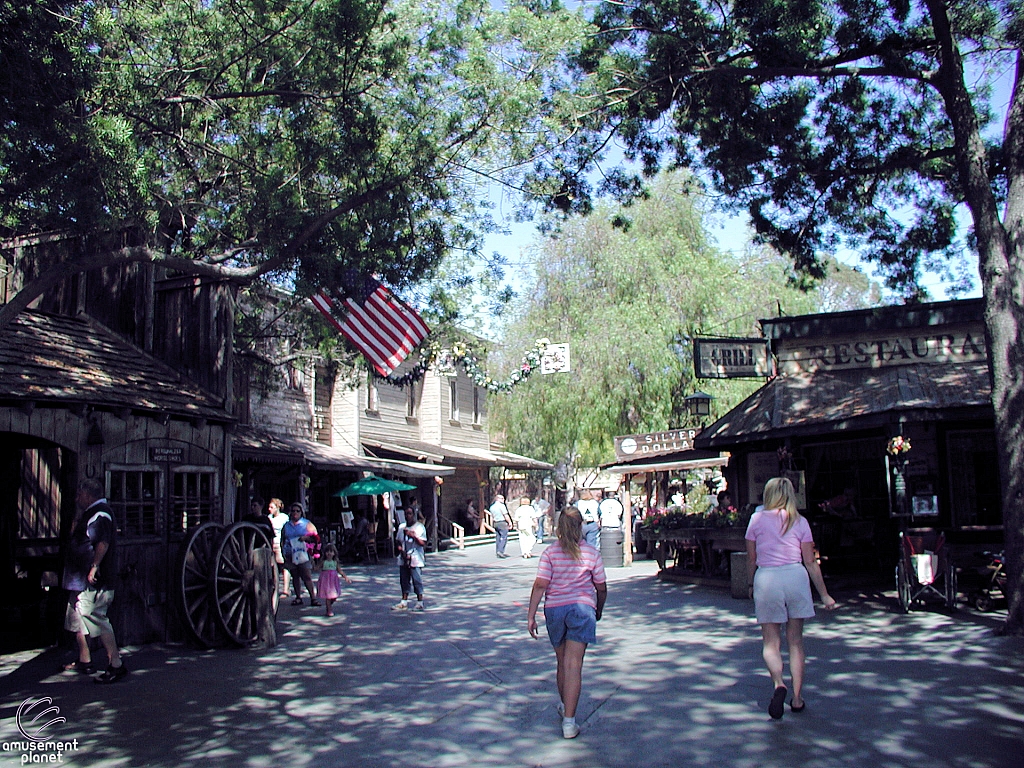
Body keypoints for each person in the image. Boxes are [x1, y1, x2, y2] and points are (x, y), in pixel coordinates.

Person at [745, 476, 838, 719]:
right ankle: (797, 698)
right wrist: (825, 595)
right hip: (795, 577)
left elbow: (751, 558)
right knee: (795, 641)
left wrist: (749, 582)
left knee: (770, 642)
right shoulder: (800, 521)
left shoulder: (756, 520)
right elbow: (810, 561)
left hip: (767, 579)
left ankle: (779, 684)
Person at [527, 507, 607, 740]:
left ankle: (565, 708)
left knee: (562, 663)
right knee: (574, 665)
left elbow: (541, 584)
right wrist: (598, 608)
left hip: (555, 610)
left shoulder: (550, 553)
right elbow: (601, 587)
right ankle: (569, 722)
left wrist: (531, 615)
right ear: (581, 526)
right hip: (582, 609)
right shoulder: (591, 553)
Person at [62, 478, 128, 683]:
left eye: (79, 495)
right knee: (78, 614)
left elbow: (103, 542)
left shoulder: (100, 514)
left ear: (88, 494)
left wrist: (95, 566)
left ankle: (115, 664)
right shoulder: (90, 513)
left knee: (94, 615)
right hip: (80, 577)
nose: (77, 498)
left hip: (93, 580)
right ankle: (85, 659)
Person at [281, 502, 320, 607]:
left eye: (297, 511)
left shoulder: (306, 524)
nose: (295, 513)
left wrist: (306, 538)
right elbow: (283, 539)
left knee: (306, 575)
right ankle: (298, 597)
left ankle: (313, 598)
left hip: (303, 553)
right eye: (293, 511)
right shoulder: (287, 525)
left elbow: (316, 538)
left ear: (301, 512)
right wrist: (282, 552)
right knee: (295, 576)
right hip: (290, 553)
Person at [392, 508, 428, 611]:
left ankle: (420, 601)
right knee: (404, 580)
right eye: (406, 514)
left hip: (415, 557)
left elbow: (423, 543)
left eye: (410, 514)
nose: (408, 516)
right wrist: (401, 552)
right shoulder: (402, 527)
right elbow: (398, 541)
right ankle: (404, 601)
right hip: (404, 557)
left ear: (414, 515)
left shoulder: (419, 527)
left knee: (417, 579)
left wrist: (413, 536)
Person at [316, 543, 352, 617]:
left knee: (334, 596)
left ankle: (329, 606)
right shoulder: (323, 562)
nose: (329, 553)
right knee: (328, 596)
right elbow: (317, 568)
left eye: (331, 551)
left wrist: (345, 577)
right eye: (327, 551)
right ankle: (329, 610)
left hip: (333, 582)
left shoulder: (335, 563)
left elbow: (339, 570)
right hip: (326, 581)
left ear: (334, 553)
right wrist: (314, 564)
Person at [267, 498, 290, 597]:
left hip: (281, 544)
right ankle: (274, 587)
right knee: (273, 566)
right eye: (269, 507)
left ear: (278, 507)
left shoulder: (284, 518)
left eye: (272, 507)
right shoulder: (269, 518)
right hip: (271, 544)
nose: (269, 509)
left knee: (284, 566)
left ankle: (286, 589)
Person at [490, 494, 512, 559]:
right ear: (497, 499)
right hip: (502, 522)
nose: (503, 500)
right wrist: (510, 522)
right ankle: (500, 551)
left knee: (498, 537)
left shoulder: (492, 507)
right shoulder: (501, 506)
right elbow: (505, 515)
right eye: (502, 498)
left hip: (496, 522)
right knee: (503, 537)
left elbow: (492, 516)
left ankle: (497, 550)